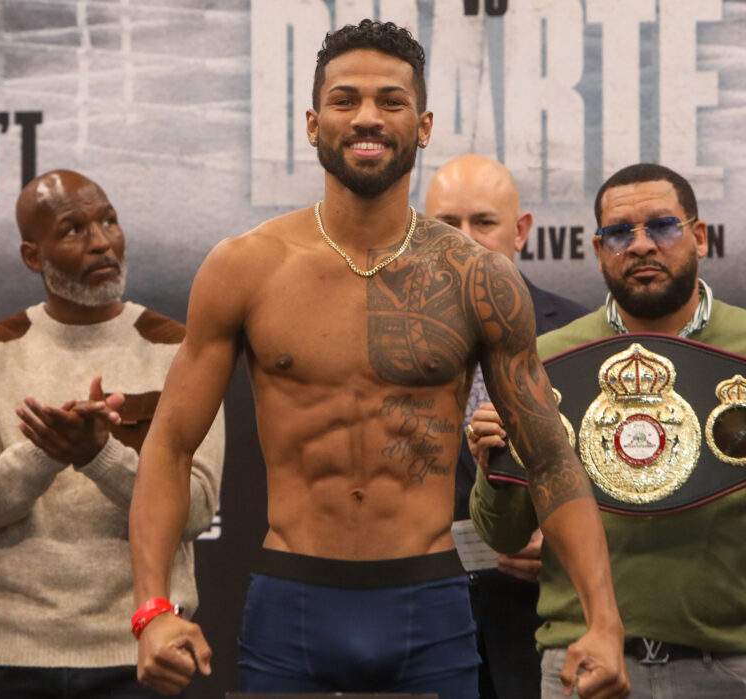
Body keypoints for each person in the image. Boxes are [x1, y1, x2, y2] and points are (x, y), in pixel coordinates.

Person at [130, 20, 629, 699]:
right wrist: (153, 607)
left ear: (422, 126)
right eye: (346, 99)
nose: (367, 116)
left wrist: (603, 620)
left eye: (391, 100)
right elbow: (169, 444)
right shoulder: (245, 267)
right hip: (291, 599)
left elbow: (549, 457)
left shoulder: (476, 277)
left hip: (427, 602)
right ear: (313, 122)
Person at [470, 162, 746, 698]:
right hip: (583, 660)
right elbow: (502, 535)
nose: (640, 246)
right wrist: (494, 463)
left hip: (730, 663)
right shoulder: (548, 358)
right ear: (598, 251)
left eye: (662, 226)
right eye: (619, 232)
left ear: (700, 236)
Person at [0, 170, 224, 698]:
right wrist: (45, 452)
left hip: (142, 651)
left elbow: (200, 508)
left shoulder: (177, 350)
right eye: (73, 230)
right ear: (32, 256)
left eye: (108, 220)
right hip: (6, 652)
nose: (102, 242)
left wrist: (100, 456)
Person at [425, 154, 587, 698]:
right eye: (446, 226)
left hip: (542, 627)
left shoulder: (584, 338)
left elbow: (624, 478)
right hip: (426, 631)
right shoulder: (386, 345)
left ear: (521, 231)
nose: (466, 240)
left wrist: (566, 544)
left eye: (484, 222)